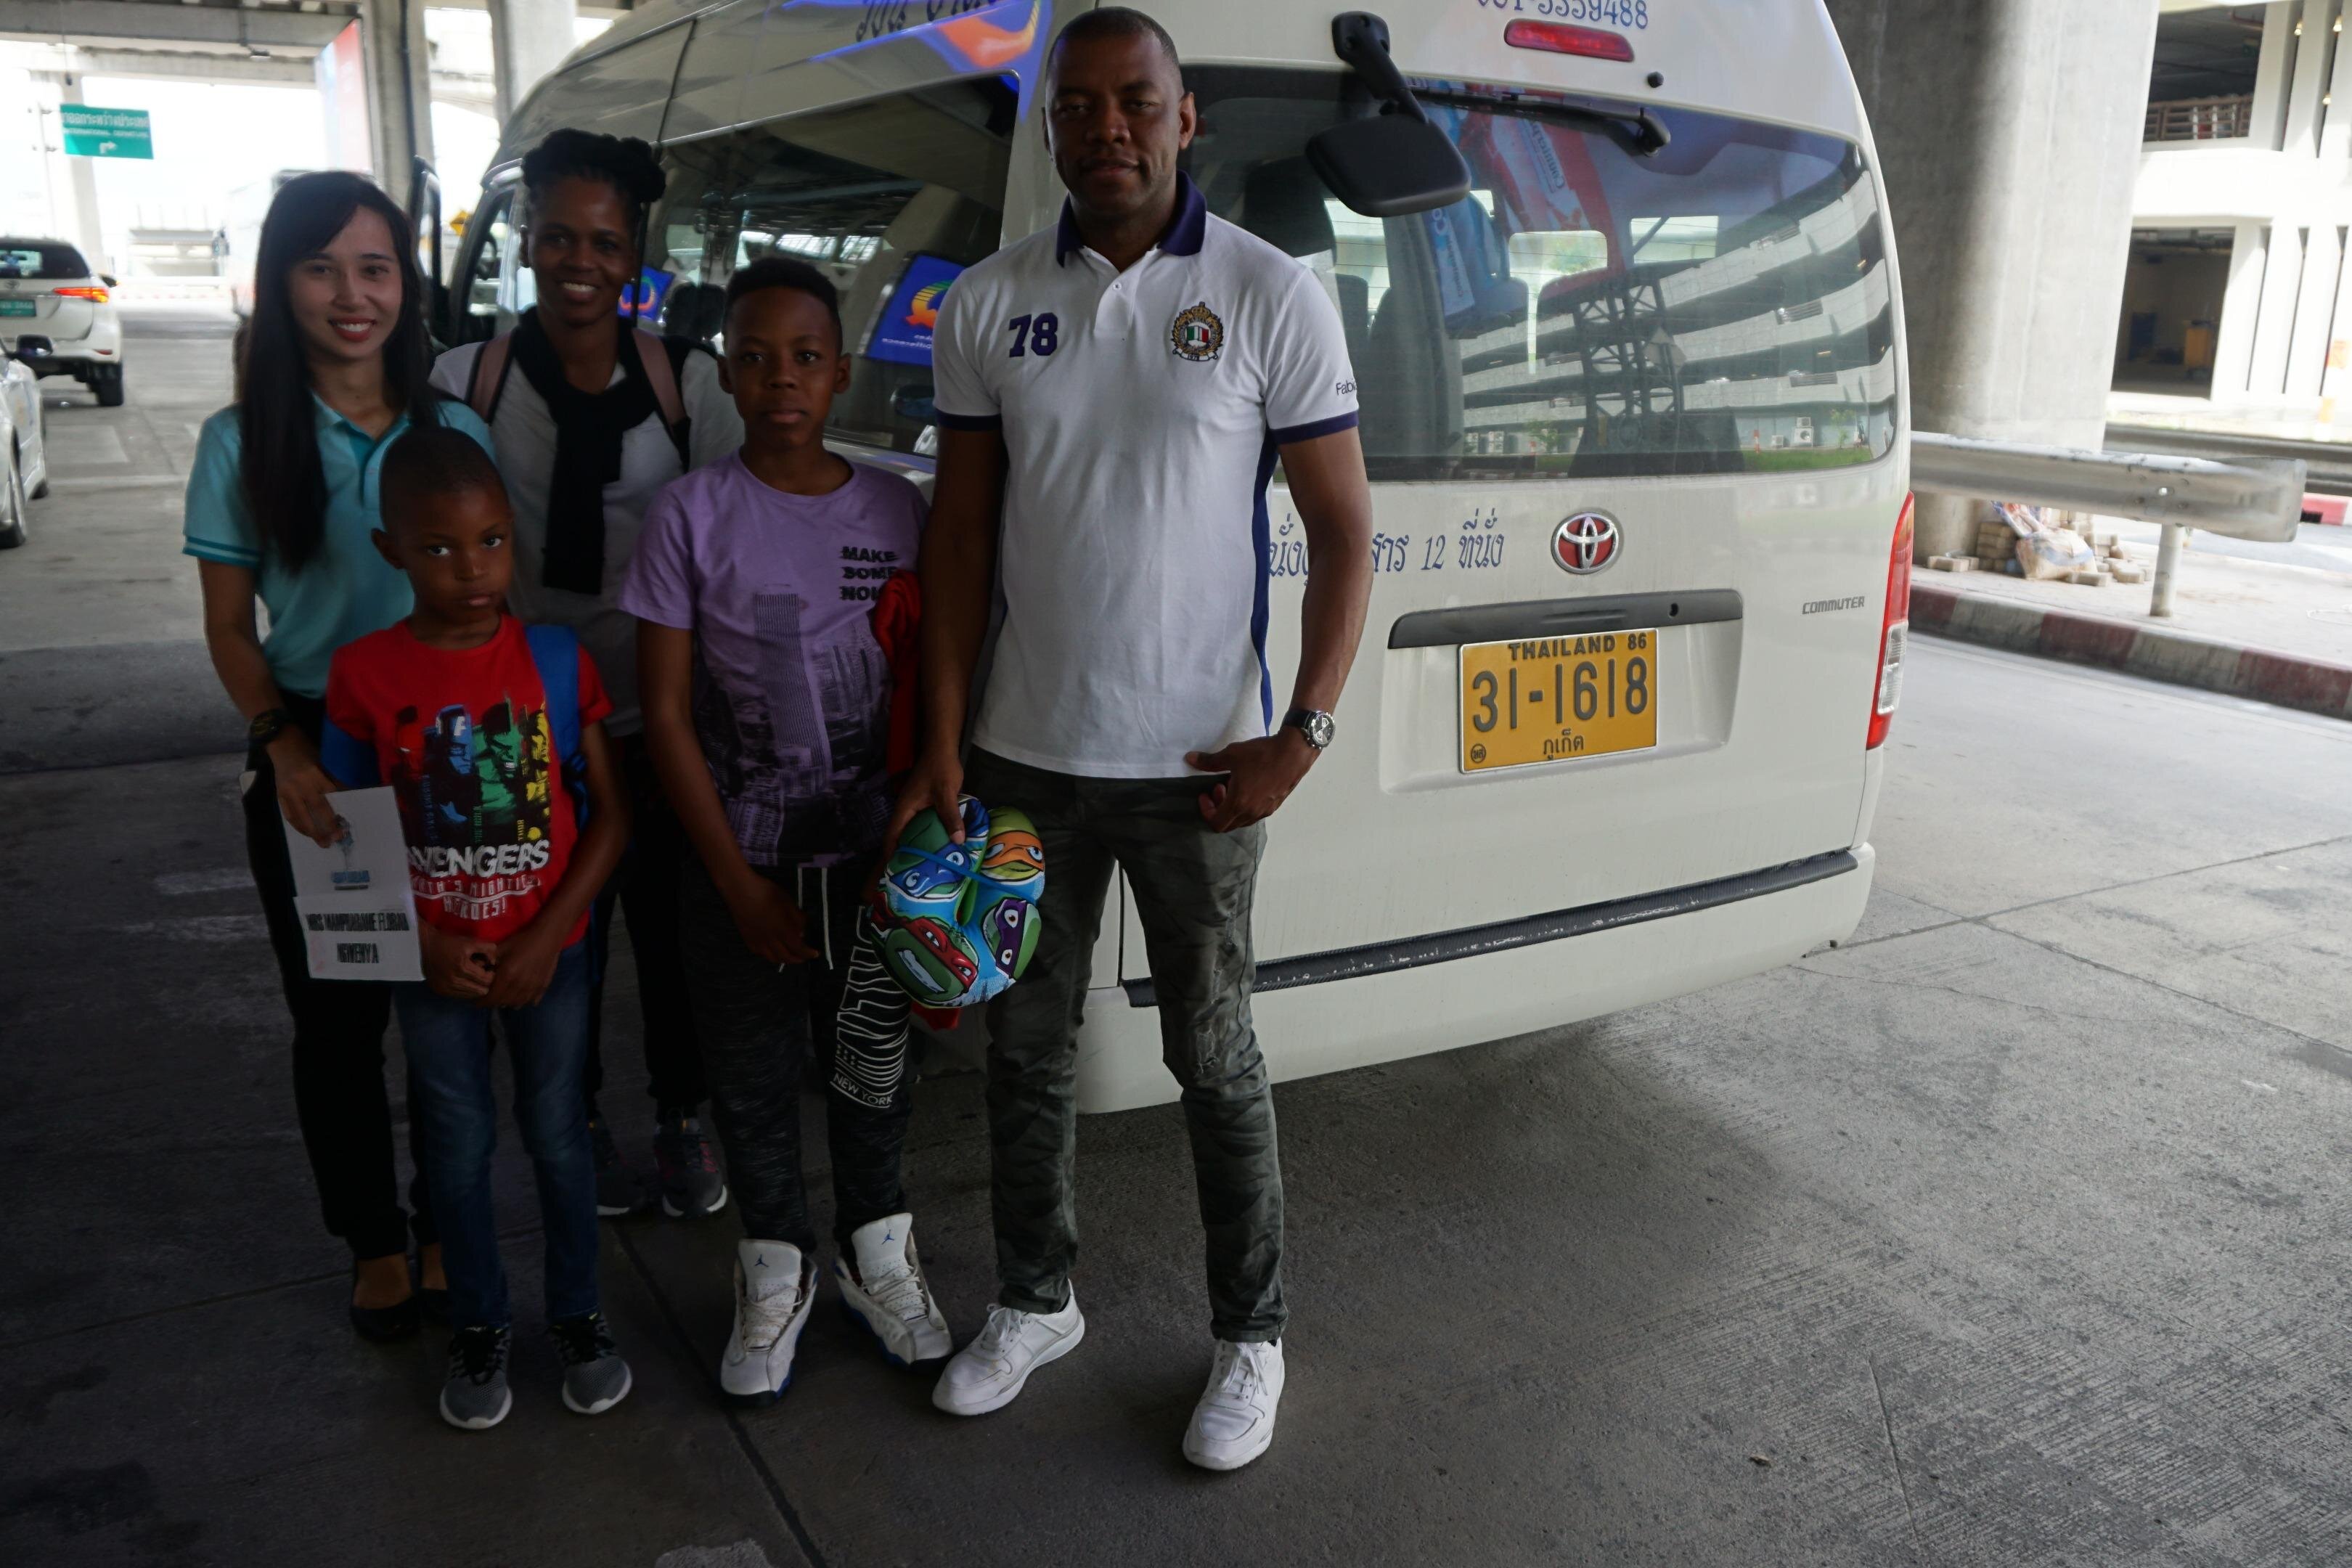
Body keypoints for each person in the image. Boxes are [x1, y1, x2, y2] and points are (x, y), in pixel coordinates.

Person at [897, 9, 1374, 1471]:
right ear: (1051, 126)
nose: (1107, 128)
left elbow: (1345, 532)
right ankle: (1036, 1302)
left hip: (1198, 772)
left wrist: (1301, 733)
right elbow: (959, 537)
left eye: (1137, 102)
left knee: (1213, 1057)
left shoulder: (1270, 292)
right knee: (1026, 1052)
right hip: (1022, 760)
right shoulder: (987, 306)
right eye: (1080, 105)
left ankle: (1252, 1336)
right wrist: (941, 739)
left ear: (1185, 118)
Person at [621, 257, 950, 1404]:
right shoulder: (691, 514)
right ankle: (774, 1267)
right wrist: (735, 882)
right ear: (726, 374)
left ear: (842, 373)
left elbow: (934, 672)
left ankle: (877, 1255)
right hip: (737, 860)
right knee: (752, 1078)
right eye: (755, 358)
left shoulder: (897, 509)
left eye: (806, 357)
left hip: (872, 859)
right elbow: (666, 715)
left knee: (871, 1071)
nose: (781, 381)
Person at [185, 171, 498, 1342]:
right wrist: (286, 750)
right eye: (321, 269)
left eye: (375, 268)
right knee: (339, 1018)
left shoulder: (453, 431)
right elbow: (230, 628)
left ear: (406, 284)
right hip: (322, 750)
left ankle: (446, 1223)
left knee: (448, 1011)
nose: (352, 295)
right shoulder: (240, 443)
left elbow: (489, 603)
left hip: (447, 747)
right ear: (281, 284)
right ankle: (374, 1242)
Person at [430, 129, 744, 1222]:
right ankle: (579, 1122)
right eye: (559, 235)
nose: (580, 261)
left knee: (669, 933)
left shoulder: (686, 385)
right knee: (557, 941)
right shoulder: (464, 382)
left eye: (605, 243)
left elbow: (733, 544)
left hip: (658, 718)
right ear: (525, 240)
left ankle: (680, 1114)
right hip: (525, 727)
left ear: (634, 256)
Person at [322, 426, 633, 1431]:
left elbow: (612, 816)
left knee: (558, 1134)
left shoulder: (555, 659)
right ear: (390, 550)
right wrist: (425, 947)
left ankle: (579, 1314)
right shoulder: (363, 676)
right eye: (440, 547)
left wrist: (549, 937)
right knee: (454, 1147)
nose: (473, 569)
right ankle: (480, 1322)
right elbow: (343, 846)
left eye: (492, 541)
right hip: (434, 967)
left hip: (554, 957)